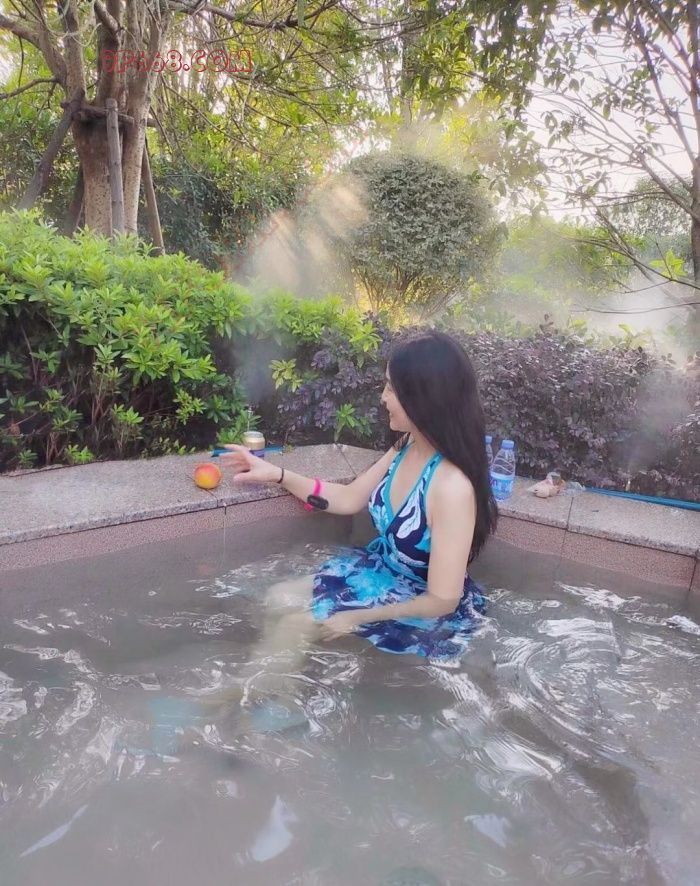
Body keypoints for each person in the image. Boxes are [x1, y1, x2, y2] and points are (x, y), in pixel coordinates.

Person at [213, 330, 498, 706]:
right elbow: (349, 498)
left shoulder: (451, 487)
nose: (383, 398)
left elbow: (443, 599)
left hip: (421, 604)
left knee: (297, 624)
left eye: (392, 388)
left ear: (424, 397)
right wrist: (277, 474)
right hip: (381, 574)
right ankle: (277, 696)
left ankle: (241, 701)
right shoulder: (407, 445)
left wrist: (358, 617)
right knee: (277, 598)